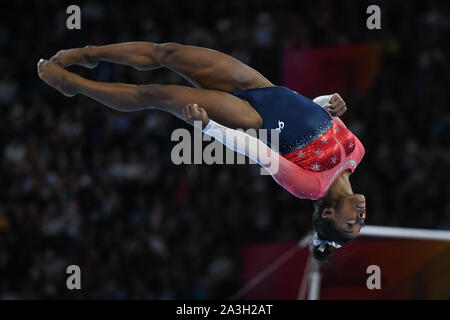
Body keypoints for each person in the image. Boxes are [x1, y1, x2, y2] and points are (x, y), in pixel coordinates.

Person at [37, 42, 366, 261]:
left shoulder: (312, 187)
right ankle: (90, 53)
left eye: (350, 225)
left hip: (253, 117)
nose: (359, 218)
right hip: (264, 87)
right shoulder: (358, 153)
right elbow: (311, 114)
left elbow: (257, 150)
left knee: (156, 93)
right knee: (168, 52)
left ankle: (74, 85)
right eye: (360, 223)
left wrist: (209, 127)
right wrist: (327, 102)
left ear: (328, 215)